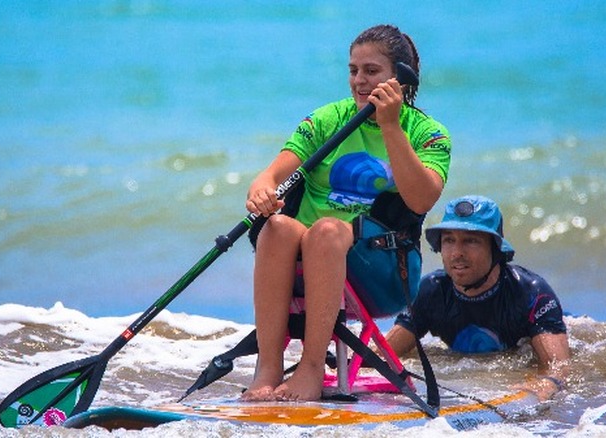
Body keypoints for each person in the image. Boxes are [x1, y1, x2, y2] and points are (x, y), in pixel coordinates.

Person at [242, 24, 452, 401]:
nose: (359, 80)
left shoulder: (428, 133)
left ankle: (309, 371)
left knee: (326, 231)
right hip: (307, 259)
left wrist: (390, 125)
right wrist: (260, 191)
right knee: (274, 227)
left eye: (371, 71)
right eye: (353, 70)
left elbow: (422, 200)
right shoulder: (327, 119)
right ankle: (268, 367)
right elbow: (272, 174)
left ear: (400, 79)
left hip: (384, 270)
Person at [385, 195, 570, 401]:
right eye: (449, 240)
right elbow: (385, 354)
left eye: (470, 240)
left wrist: (545, 384)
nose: (457, 253)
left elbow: (558, 368)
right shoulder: (430, 292)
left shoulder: (531, 293)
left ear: (496, 248)